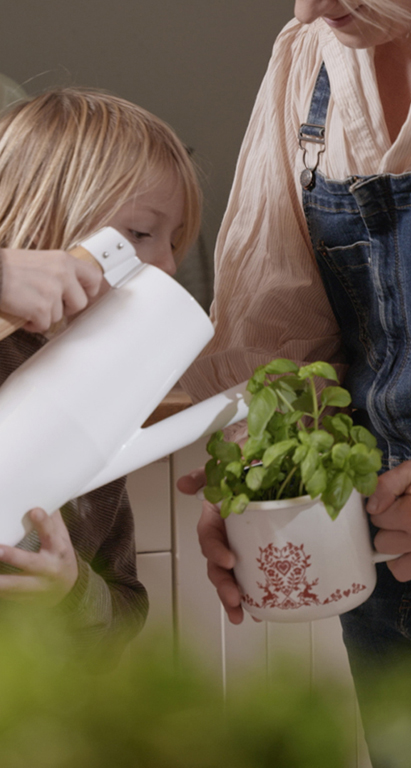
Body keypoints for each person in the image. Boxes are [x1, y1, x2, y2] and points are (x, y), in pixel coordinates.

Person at [177, 0, 411, 736]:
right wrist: (260, 471)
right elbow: (284, 327)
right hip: (388, 569)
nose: (307, 7)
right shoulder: (310, 60)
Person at [0, 87, 201, 654]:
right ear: (42, 221)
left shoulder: (105, 396)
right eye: (140, 234)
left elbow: (125, 605)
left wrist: (71, 592)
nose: (168, 264)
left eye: (174, 241)